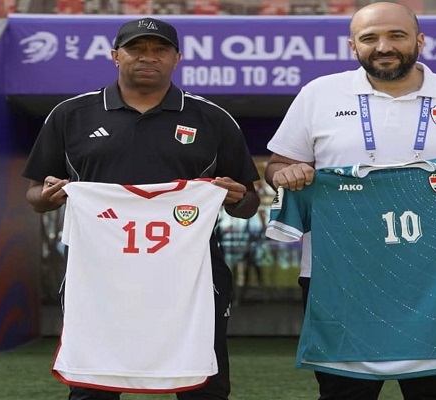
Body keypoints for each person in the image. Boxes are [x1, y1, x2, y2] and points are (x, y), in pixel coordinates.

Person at [264, 2, 436, 400]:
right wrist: (285, 173)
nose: (383, 46)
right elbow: (278, 164)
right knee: (343, 395)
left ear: (420, 41)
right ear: (353, 46)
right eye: (369, 38)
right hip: (338, 276)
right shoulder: (318, 95)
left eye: (396, 36)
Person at [22, 17, 260, 400]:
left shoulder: (212, 119)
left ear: (177, 58)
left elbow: (248, 202)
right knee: (92, 390)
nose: (148, 57)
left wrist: (236, 198)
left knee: (205, 388)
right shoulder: (71, 114)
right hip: (98, 278)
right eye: (136, 48)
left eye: (160, 49)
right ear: (115, 55)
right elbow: (35, 194)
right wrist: (48, 196)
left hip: (193, 279)